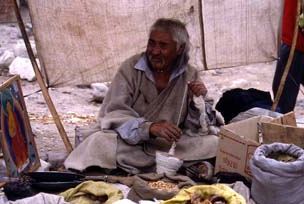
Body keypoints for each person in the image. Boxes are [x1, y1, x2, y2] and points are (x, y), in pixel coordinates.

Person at [64, 18, 221, 175]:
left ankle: (137, 168)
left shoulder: (190, 74)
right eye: (151, 43)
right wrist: (149, 128)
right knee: (99, 141)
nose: (154, 51)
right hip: (131, 144)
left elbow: (199, 128)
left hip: (169, 146)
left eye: (163, 46)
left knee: (214, 143)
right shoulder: (130, 69)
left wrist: (197, 101)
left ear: (179, 49)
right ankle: (182, 168)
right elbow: (113, 113)